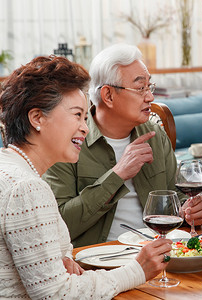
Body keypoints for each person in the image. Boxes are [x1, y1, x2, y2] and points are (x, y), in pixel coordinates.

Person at [0, 56, 172, 298]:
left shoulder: (8, 166)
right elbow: (57, 294)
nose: (85, 127)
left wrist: (62, 260)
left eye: (84, 117)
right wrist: (137, 270)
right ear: (37, 118)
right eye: (76, 115)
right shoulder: (27, 188)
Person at [43, 44, 202, 247]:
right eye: (140, 88)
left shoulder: (155, 135)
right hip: (97, 263)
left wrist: (191, 210)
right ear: (108, 95)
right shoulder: (68, 140)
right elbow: (60, 225)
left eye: (150, 87)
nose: (150, 97)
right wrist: (117, 175)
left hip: (158, 255)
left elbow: (179, 197)